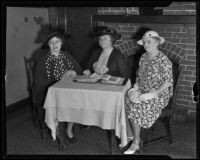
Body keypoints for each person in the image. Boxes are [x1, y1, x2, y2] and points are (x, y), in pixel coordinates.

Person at [123, 31, 173, 154]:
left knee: (136, 106)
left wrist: (154, 93)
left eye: (149, 42)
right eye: (144, 42)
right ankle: (129, 134)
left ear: (157, 42)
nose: (145, 44)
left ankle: (136, 141)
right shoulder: (144, 57)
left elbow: (168, 82)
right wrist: (135, 88)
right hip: (143, 89)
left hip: (159, 94)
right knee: (124, 100)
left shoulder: (163, 59)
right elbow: (139, 75)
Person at [33, 30, 82, 143]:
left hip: (68, 90)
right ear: (48, 45)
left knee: (76, 100)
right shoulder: (43, 60)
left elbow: (78, 69)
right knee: (66, 102)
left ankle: (69, 129)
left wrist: (73, 72)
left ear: (61, 43)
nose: (55, 45)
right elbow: (40, 83)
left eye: (57, 42)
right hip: (47, 93)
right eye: (51, 42)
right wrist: (61, 78)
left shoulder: (66, 55)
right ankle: (57, 130)